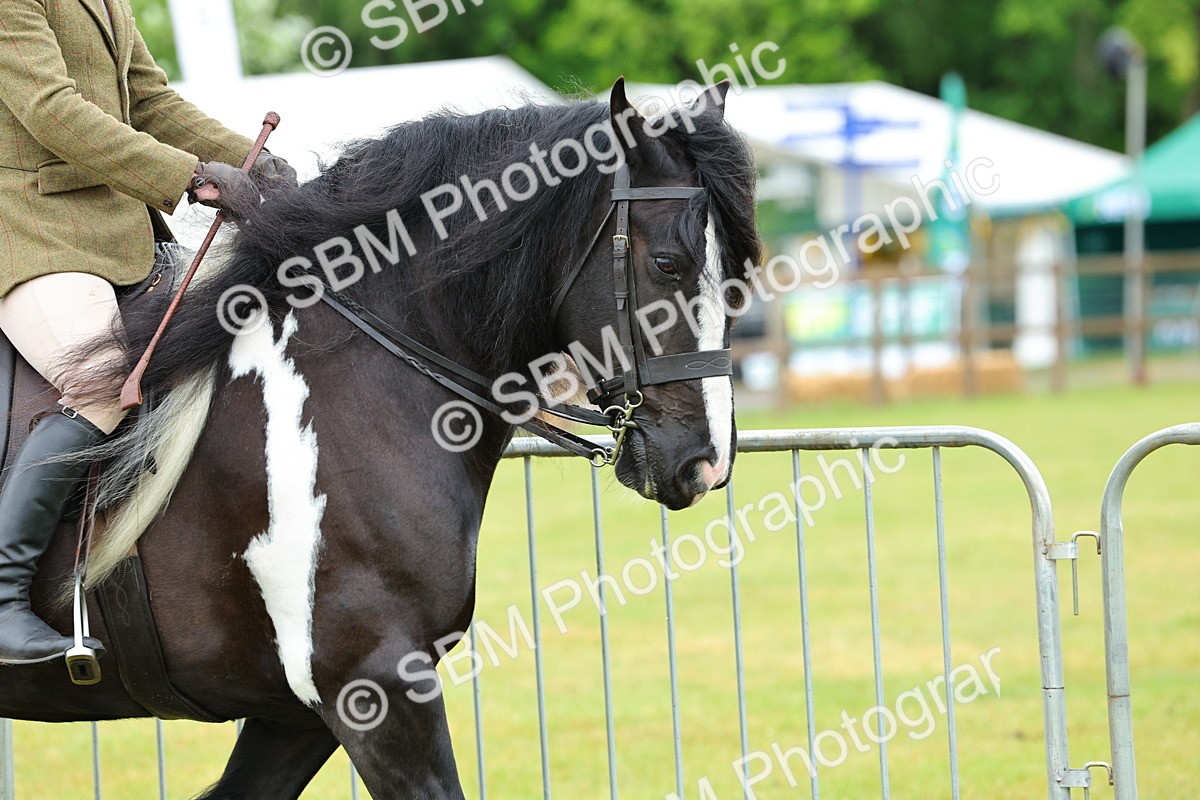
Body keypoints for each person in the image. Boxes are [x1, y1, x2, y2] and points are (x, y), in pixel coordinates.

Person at [0, 0, 297, 663]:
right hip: (31, 236)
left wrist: (251, 161)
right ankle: (1, 596)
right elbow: (51, 111)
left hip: (125, 241)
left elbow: (151, 101)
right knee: (104, 382)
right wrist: (190, 176)